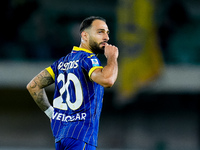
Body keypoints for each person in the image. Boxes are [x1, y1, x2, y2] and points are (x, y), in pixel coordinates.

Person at [26, 16, 118, 150]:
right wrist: (112, 58)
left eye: (107, 33)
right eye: (100, 32)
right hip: (81, 136)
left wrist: (52, 114)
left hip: (62, 137)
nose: (106, 37)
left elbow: (33, 85)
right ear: (84, 35)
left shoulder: (61, 63)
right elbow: (108, 80)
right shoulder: (88, 59)